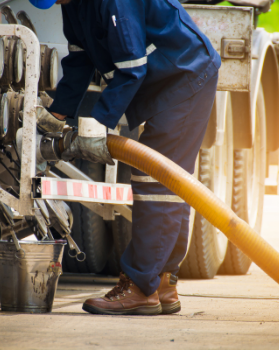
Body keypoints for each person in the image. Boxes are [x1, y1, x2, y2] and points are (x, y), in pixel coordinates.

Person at [29, 0, 221, 315]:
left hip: (184, 78)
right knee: (171, 183)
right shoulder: (74, 5)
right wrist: (55, 115)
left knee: (157, 184)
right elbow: (80, 60)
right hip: (166, 80)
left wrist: (99, 123)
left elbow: (132, 68)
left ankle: (140, 287)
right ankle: (162, 283)